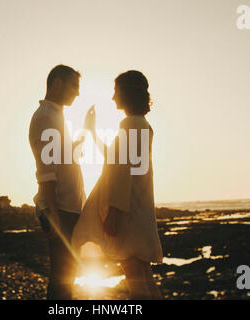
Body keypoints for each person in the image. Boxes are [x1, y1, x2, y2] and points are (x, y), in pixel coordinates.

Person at [72, 70, 163, 299]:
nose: (113, 98)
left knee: (137, 283)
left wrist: (113, 213)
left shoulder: (131, 126)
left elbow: (123, 175)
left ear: (127, 93)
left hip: (128, 214)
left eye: (116, 91)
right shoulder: (141, 125)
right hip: (138, 210)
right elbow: (116, 161)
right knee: (144, 278)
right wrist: (92, 133)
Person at [29, 64, 86, 300]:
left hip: (67, 208)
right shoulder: (45, 117)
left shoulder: (55, 116)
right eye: (74, 85)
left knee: (66, 275)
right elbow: (46, 173)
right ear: (57, 84)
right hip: (60, 209)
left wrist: (80, 138)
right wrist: (53, 215)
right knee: (62, 278)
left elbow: (59, 159)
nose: (78, 92)